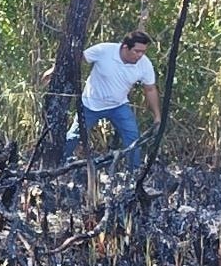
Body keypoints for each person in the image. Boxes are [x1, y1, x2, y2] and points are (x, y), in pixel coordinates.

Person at [50, 30, 161, 170]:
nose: (140, 55)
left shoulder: (144, 64)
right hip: (91, 105)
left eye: (143, 52)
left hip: (118, 105)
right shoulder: (104, 50)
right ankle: (57, 167)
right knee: (74, 136)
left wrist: (157, 115)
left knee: (132, 138)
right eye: (137, 51)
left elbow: (150, 89)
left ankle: (134, 173)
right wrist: (53, 70)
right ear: (125, 47)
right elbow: (77, 59)